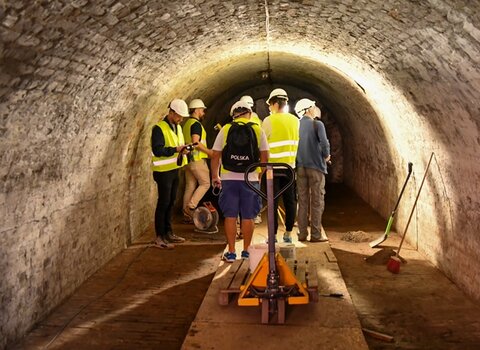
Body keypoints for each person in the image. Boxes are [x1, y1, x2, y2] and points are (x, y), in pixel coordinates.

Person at [211, 100, 269, 262]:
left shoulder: (226, 129)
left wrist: (215, 176)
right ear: (249, 114)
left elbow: (216, 155)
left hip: (229, 178)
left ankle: (230, 252)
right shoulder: (257, 130)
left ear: (233, 115)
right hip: (250, 178)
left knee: (230, 215)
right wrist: (259, 174)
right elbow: (265, 157)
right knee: (248, 216)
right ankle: (246, 251)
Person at [151, 99, 192, 248]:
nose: (181, 119)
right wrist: (175, 150)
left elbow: (177, 145)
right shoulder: (159, 128)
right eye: (179, 116)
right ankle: (159, 237)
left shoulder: (178, 127)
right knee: (163, 203)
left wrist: (184, 150)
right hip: (163, 172)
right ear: (171, 112)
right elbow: (158, 150)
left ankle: (169, 233)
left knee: (171, 202)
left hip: (174, 169)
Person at [262, 88, 299, 243]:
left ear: (275, 104)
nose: (269, 108)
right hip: (289, 168)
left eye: (270, 105)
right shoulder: (295, 120)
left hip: (272, 169)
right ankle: (289, 233)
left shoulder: (268, 121)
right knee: (290, 201)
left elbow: (262, 145)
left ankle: (273, 236)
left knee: (273, 202)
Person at [294, 98, 331, 242]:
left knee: (302, 201)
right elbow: (324, 143)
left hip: (300, 167)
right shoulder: (318, 124)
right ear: (308, 109)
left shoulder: (296, 125)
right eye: (314, 106)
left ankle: (302, 234)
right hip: (316, 167)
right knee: (317, 201)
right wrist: (326, 157)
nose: (315, 108)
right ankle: (316, 235)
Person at [182, 99, 213, 226]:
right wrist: (209, 152)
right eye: (202, 110)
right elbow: (195, 142)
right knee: (205, 183)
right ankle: (191, 206)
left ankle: (186, 214)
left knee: (190, 185)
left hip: (188, 160)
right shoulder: (196, 125)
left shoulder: (186, 124)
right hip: (197, 159)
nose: (203, 112)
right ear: (196, 110)